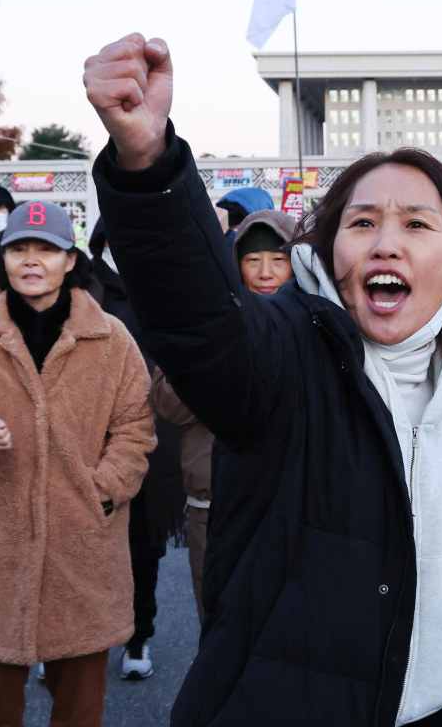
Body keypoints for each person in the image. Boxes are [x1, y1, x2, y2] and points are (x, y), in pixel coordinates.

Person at [84, 33, 442, 726]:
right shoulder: (287, 360)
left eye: (418, 224)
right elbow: (200, 320)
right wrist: (149, 164)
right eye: (363, 222)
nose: (387, 241)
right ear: (332, 254)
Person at [0, 200, 154, 727]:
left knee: (80, 707)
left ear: (69, 260)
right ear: (3, 257)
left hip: (84, 545)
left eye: (45, 249)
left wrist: (105, 487)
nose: (32, 260)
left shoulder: (111, 339)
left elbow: (136, 427)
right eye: (19, 248)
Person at [150, 208, 298, 622]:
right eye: (253, 261)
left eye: (278, 260)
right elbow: (166, 403)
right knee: (219, 619)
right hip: (210, 501)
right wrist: (214, 366)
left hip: (293, 500)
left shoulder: (318, 320)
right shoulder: (205, 318)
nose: (266, 272)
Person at [87, 221, 185, 681]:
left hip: (151, 436)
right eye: (114, 243)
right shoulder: (79, 290)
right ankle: (70, 639)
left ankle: (137, 634)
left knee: (143, 546)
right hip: (86, 436)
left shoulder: (163, 291)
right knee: (78, 543)